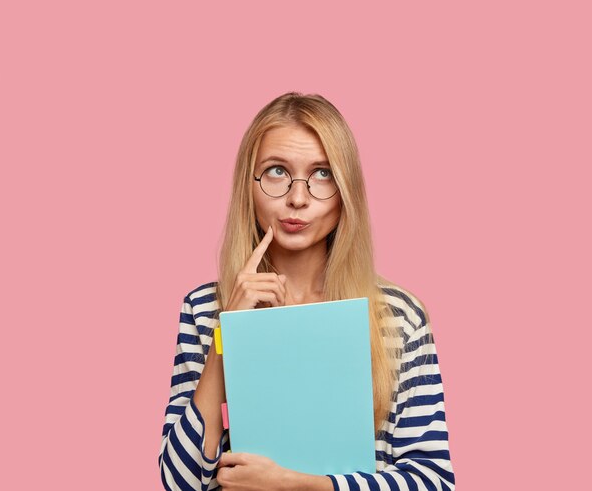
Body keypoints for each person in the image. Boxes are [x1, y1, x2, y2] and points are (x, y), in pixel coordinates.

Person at [158, 92, 455, 491]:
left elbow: (434, 481)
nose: (298, 198)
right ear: (249, 185)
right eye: (277, 172)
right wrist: (225, 336)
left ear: (346, 189)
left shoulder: (398, 316)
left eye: (322, 174)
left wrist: (300, 484)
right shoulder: (204, 309)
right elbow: (180, 484)